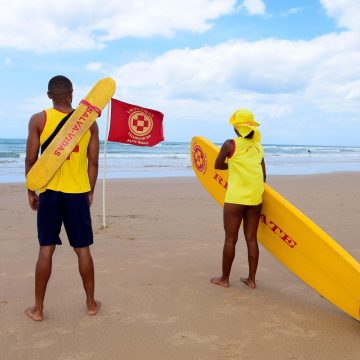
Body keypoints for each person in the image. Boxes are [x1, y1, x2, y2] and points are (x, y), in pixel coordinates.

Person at [25, 75, 101, 321]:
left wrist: (31, 189)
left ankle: (38, 310)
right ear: (71, 93)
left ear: (49, 95)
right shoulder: (89, 123)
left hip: (49, 195)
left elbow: (31, 159)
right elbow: (93, 162)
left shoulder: (39, 119)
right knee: (82, 250)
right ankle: (90, 304)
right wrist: (89, 190)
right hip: (77, 194)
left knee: (46, 250)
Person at [210, 109, 266, 289]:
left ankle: (224, 279)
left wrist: (233, 164)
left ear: (236, 128)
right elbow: (263, 175)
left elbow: (217, 165)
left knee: (230, 239)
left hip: (235, 199)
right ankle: (251, 280)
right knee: (251, 239)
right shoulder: (259, 147)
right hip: (255, 198)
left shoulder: (230, 144)